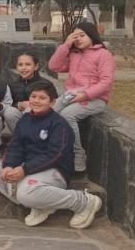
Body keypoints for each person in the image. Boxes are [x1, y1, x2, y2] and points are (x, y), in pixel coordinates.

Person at [0, 81, 103, 229]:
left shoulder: (59, 124)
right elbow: (15, 146)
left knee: (25, 193)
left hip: (54, 170)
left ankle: (83, 201)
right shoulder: (25, 120)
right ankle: (42, 204)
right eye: (34, 96)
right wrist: (8, 166)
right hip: (28, 167)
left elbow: (55, 155)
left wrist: (24, 170)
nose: (37, 101)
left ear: (52, 102)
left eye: (42, 98)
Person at [48, 22, 115, 173]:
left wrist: (85, 95)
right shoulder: (74, 54)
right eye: (75, 36)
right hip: (71, 94)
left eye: (82, 35)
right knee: (48, 113)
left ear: (92, 35)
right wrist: (65, 45)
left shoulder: (104, 54)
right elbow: (53, 66)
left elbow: (106, 82)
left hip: (95, 99)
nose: (78, 39)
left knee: (66, 115)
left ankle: (78, 154)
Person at [4, 52, 57, 134]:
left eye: (28, 64)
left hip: (41, 118)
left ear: (35, 66)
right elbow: (7, 103)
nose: (23, 68)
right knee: (9, 112)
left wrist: (34, 104)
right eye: (20, 65)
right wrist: (18, 104)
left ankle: (34, 140)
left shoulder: (46, 84)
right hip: (19, 115)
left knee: (30, 110)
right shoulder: (12, 85)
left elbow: (54, 104)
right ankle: (20, 139)